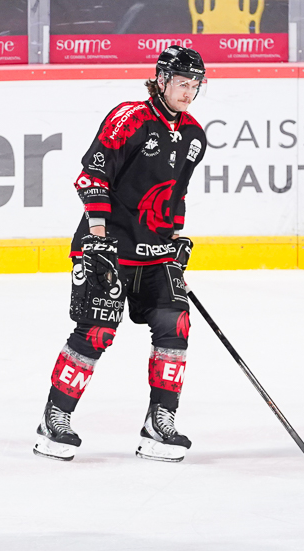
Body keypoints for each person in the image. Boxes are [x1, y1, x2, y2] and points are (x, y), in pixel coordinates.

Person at [33, 45, 208, 464]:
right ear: (162, 79)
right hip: (108, 247)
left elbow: (175, 197)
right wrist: (96, 239)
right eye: (183, 83)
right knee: (95, 332)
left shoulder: (194, 136)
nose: (189, 91)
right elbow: (91, 176)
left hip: (156, 253)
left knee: (175, 322)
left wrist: (176, 240)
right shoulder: (129, 118)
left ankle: (159, 421)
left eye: (196, 84)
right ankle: (54, 417)